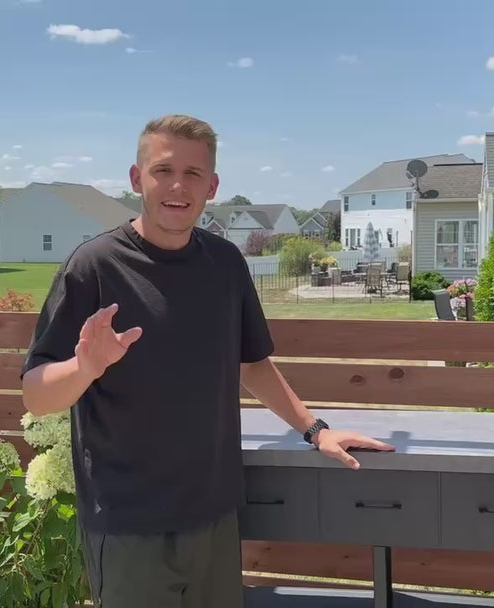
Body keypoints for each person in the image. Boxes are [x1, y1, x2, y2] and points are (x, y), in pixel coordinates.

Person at [20, 114, 393, 608]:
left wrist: (315, 430)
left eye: (193, 173)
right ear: (137, 179)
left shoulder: (225, 263)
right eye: (163, 170)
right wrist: (85, 368)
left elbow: (252, 364)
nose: (178, 186)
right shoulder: (94, 266)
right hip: (129, 524)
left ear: (212, 186)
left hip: (213, 516)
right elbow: (36, 395)